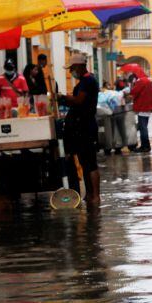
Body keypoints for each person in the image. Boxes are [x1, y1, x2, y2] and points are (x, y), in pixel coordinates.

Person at [58, 53, 101, 204]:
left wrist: (64, 98)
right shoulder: (85, 80)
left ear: (80, 66)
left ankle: (95, 195)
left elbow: (79, 100)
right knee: (84, 163)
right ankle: (89, 194)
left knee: (90, 163)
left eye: (72, 68)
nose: (71, 72)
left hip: (86, 128)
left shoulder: (88, 80)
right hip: (81, 127)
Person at [128, 72, 152, 152]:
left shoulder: (140, 81)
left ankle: (145, 146)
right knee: (143, 127)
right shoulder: (146, 80)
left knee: (143, 128)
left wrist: (132, 86)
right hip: (147, 106)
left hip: (143, 107)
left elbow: (134, 92)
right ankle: (145, 146)